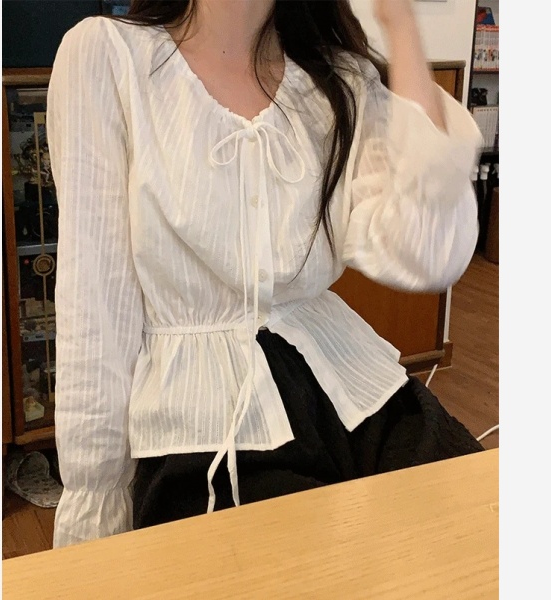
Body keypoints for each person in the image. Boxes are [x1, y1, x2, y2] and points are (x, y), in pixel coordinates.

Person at [47, 0, 484, 549]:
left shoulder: (338, 80)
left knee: (480, 530)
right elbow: (96, 307)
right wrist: (96, 514)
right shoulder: (108, 56)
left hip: (349, 387)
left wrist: (399, 22)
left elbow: (424, 250)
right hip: (205, 421)